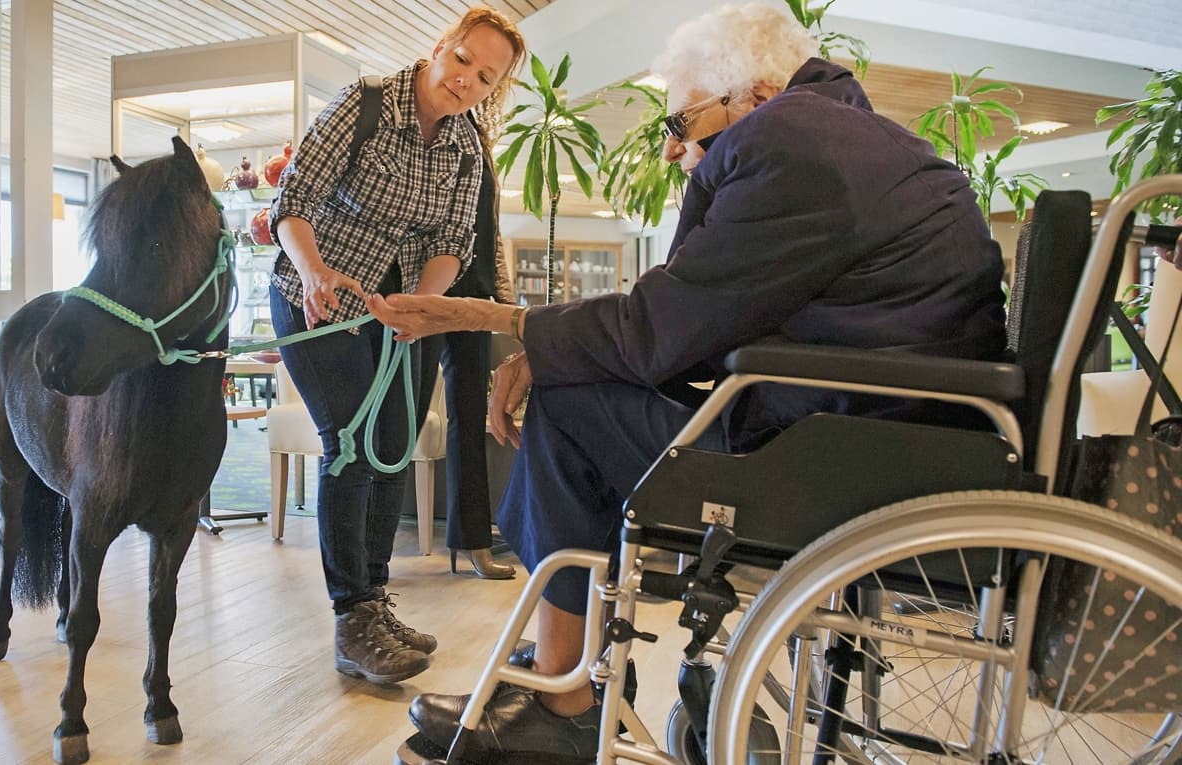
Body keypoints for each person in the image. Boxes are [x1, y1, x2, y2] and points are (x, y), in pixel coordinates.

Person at [369, 2, 1007, 759]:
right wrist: (555, 342)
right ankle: (566, 676)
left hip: (842, 457)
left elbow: (658, 331)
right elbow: (690, 331)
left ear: (755, 96)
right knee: (587, 384)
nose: (673, 152)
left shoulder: (791, 139)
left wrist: (491, 320)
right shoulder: (852, 137)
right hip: (887, 434)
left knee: (571, 403)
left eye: (680, 124)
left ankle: (566, 694)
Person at [267, 6, 525, 686]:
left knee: (393, 442)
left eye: (486, 77)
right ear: (441, 47)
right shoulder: (367, 104)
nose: (468, 80)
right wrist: (318, 270)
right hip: (314, 293)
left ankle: (374, 600)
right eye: (464, 60)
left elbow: (450, 245)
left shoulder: (467, 149)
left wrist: (420, 308)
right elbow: (291, 201)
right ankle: (352, 613)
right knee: (350, 440)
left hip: (394, 310)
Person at [414, 117, 517, 581]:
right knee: (406, 415)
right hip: (421, 292)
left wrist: (507, 297)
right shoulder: (422, 130)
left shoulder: (479, 143)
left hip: (472, 297)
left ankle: (473, 541)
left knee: (469, 420)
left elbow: (489, 231)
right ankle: (368, 555)